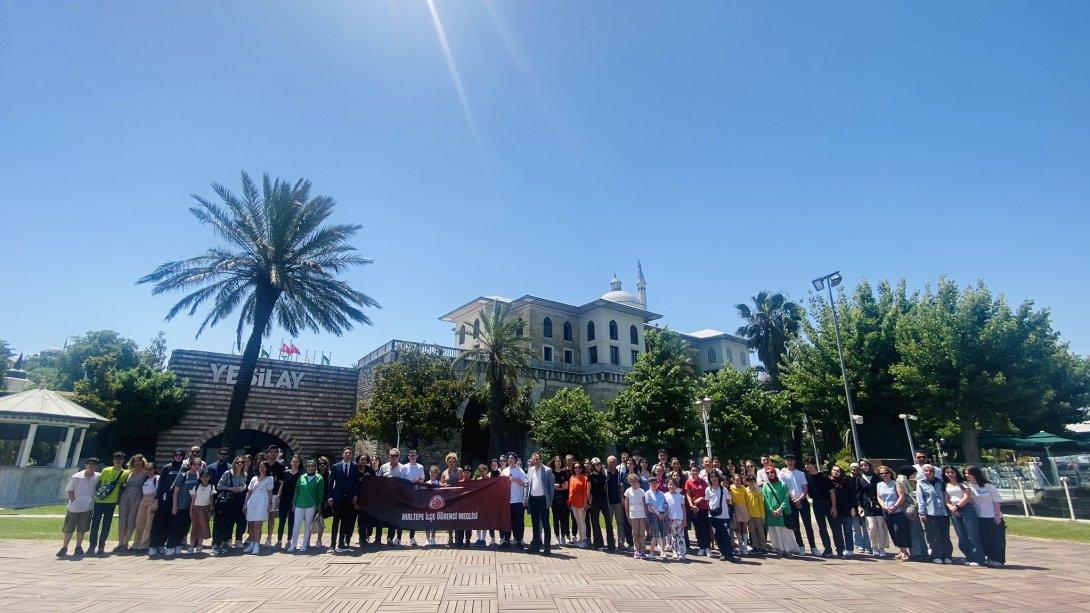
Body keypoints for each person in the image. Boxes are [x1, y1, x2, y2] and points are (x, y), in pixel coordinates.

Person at [88, 451, 129, 556]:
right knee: (95, 524)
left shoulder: (125, 473)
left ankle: (101, 545)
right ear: (113, 460)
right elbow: (99, 484)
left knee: (106, 525)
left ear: (123, 461)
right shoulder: (106, 470)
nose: (118, 461)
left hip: (111, 502)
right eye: (116, 459)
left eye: (120, 459)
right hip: (99, 501)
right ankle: (92, 545)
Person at [58, 457, 100, 558]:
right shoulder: (77, 476)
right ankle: (64, 547)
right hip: (74, 508)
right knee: (69, 528)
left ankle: (78, 547)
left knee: (82, 529)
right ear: (86, 465)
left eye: (94, 464)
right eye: (90, 464)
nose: (91, 466)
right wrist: (74, 501)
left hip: (87, 508)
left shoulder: (98, 476)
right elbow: (70, 490)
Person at [965, 465, 1005, 567]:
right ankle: (990, 558)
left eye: (968, 473)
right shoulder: (969, 487)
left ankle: (999, 559)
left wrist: (997, 514)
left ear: (975, 474)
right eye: (965, 474)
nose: (966, 476)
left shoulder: (988, 486)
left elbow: (996, 500)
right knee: (985, 538)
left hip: (992, 515)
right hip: (979, 516)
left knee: (997, 538)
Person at [943, 466, 984, 566]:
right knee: (962, 536)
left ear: (956, 473)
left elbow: (967, 496)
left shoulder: (962, 484)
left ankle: (979, 559)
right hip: (954, 510)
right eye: (947, 473)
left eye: (952, 472)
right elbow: (946, 499)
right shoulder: (946, 485)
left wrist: (957, 506)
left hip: (966, 509)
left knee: (972, 535)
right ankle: (969, 556)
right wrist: (952, 508)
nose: (950, 474)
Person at [148, 449, 185, 557]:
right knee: (159, 523)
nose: (178, 456)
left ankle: (164, 544)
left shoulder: (184, 468)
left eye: (180, 455)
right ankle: (154, 546)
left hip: (177, 499)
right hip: (165, 499)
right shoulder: (167, 467)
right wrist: (156, 499)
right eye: (176, 455)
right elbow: (160, 484)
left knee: (171, 524)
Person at [779, 454, 815, 556]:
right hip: (791, 502)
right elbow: (785, 488)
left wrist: (801, 498)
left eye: (792, 460)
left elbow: (805, 488)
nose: (790, 462)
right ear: (785, 462)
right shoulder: (782, 473)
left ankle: (813, 546)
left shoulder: (801, 473)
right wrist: (794, 499)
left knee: (808, 525)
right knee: (795, 525)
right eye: (788, 460)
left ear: (795, 461)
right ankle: (800, 546)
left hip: (802, 500)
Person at [804, 457, 841, 557]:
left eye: (809, 464)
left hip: (827, 503)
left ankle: (840, 549)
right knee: (822, 527)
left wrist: (833, 507)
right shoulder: (806, 477)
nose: (807, 466)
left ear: (814, 465)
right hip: (816, 503)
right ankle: (828, 548)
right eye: (806, 464)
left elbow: (832, 492)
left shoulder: (824, 477)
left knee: (835, 527)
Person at [916, 463, 952, 564]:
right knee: (934, 535)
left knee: (945, 535)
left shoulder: (941, 482)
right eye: (926, 471)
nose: (928, 473)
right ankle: (937, 555)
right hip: (930, 512)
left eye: (930, 471)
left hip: (943, 512)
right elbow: (920, 498)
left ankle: (947, 555)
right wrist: (922, 512)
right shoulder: (921, 483)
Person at [288, 459, 324, 552]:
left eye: (312, 466)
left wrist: (319, 504)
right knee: (296, 524)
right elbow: (297, 491)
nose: (310, 468)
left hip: (311, 504)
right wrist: (294, 503)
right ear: (306, 467)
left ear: (315, 467)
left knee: (308, 525)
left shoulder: (319, 478)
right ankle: (293, 544)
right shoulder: (301, 477)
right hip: (299, 503)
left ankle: (304, 544)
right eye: (308, 466)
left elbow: (320, 493)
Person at [213, 455, 248, 554]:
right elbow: (219, 486)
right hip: (227, 501)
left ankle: (231, 541)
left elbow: (244, 485)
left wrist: (241, 488)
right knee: (224, 522)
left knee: (238, 522)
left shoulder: (244, 474)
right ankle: (219, 543)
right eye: (237, 462)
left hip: (238, 501)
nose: (239, 464)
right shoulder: (228, 473)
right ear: (234, 463)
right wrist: (230, 489)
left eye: (241, 462)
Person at [762, 467, 800, 556]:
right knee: (775, 532)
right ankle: (779, 549)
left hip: (783, 512)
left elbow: (786, 498)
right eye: (767, 473)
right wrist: (771, 510)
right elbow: (765, 499)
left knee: (786, 532)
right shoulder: (766, 485)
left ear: (775, 473)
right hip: (771, 514)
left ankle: (788, 550)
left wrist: (780, 509)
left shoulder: (783, 484)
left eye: (771, 472)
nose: (770, 474)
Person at [328, 447, 360, 552]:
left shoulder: (355, 467)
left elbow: (356, 482)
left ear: (352, 455)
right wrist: (330, 496)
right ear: (343, 455)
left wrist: (355, 495)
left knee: (345, 522)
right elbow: (330, 482)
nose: (348, 454)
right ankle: (332, 545)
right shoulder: (336, 466)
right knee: (335, 522)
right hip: (338, 498)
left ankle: (341, 544)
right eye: (346, 453)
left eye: (350, 453)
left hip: (349, 498)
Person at [876, 466, 911, 560]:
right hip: (886, 511)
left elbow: (901, 496)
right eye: (881, 473)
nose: (884, 475)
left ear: (890, 473)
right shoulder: (879, 484)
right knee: (892, 531)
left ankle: (905, 552)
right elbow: (879, 497)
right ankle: (901, 549)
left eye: (886, 473)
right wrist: (884, 506)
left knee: (899, 530)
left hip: (898, 510)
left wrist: (895, 506)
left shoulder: (896, 483)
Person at [856, 459, 888, 558]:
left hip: (878, 504)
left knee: (881, 528)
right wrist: (859, 505)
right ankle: (874, 548)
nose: (863, 467)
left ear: (869, 465)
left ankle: (882, 548)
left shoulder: (877, 477)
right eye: (861, 466)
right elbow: (858, 494)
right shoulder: (859, 478)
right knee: (871, 528)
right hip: (867, 506)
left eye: (865, 465)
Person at [117, 453, 149, 551]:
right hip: (125, 496)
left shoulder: (145, 473)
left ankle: (126, 543)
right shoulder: (128, 472)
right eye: (135, 461)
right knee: (122, 518)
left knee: (131, 519)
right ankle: (120, 543)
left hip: (137, 497)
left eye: (139, 461)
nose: (137, 463)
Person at [524, 451, 554, 555]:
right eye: (534, 459)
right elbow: (527, 485)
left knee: (546, 525)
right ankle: (535, 547)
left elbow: (551, 487)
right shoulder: (530, 470)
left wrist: (549, 501)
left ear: (541, 460)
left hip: (543, 501)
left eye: (537, 459)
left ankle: (547, 548)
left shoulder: (547, 470)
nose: (535, 461)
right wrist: (525, 499)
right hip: (533, 500)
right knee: (535, 525)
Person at [169, 455, 201, 555]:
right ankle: (170, 546)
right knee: (176, 526)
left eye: (198, 465)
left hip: (191, 507)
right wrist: (174, 506)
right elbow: (175, 492)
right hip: (181, 505)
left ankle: (178, 545)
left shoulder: (198, 476)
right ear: (190, 465)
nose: (196, 466)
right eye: (194, 464)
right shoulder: (183, 475)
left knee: (185, 527)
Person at [896, 465, 927, 560]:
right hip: (909, 507)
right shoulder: (902, 479)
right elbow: (906, 493)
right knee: (914, 530)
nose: (914, 475)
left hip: (913, 507)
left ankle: (921, 551)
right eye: (913, 473)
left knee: (917, 530)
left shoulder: (905, 479)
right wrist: (918, 490)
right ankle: (918, 552)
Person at [244, 460, 274, 554]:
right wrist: (245, 503)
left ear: (267, 468)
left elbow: (270, 492)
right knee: (252, 524)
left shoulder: (270, 478)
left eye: (264, 467)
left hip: (263, 501)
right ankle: (251, 544)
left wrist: (270, 503)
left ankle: (257, 545)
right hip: (253, 501)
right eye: (261, 467)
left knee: (258, 523)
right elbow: (249, 492)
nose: (262, 468)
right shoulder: (254, 478)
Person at [706, 470, 736, 562]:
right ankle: (723, 553)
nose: (714, 478)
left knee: (725, 535)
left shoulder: (724, 489)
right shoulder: (707, 489)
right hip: (713, 516)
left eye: (715, 476)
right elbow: (708, 501)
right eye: (712, 477)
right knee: (717, 536)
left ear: (718, 478)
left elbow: (728, 502)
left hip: (723, 516)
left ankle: (729, 554)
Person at [377, 448, 404, 546]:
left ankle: (390, 539)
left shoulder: (403, 468)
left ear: (398, 457)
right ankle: (378, 539)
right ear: (389, 456)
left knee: (393, 519)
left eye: (396, 455)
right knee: (381, 518)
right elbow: (378, 481)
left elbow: (405, 483)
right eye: (392, 455)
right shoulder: (383, 467)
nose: (394, 457)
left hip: (397, 498)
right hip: (384, 497)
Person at [684, 462, 711, 557]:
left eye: (695, 471)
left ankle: (707, 547)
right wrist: (691, 505)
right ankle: (701, 547)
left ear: (699, 472)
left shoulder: (703, 482)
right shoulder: (688, 482)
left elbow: (707, 494)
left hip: (704, 508)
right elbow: (688, 494)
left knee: (705, 528)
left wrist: (701, 498)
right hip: (694, 509)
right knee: (698, 528)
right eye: (692, 471)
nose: (694, 472)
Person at [500, 453, 527, 548]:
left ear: (515, 460)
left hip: (518, 501)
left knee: (518, 522)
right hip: (507, 501)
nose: (510, 460)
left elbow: (525, 483)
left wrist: (515, 479)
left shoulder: (520, 471)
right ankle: (507, 540)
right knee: (507, 521)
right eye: (508, 458)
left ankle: (518, 540)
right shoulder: (505, 471)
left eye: (512, 458)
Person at [829, 465, 856, 558]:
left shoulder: (846, 481)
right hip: (834, 510)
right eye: (834, 470)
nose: (835, 472)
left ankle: (849, 549)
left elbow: (851, 495)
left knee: (848, 531)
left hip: (845, 510)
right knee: (837, 531)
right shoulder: (829, 482)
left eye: (838, 471)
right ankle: (840, 549)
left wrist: (852, 507)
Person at [441, 452, 467, 546]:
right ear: (447, 462)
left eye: (453, 461)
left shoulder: (460, 470)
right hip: (449, 499)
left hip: (459, 498)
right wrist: (445, 485)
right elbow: (441, 484)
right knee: (450, 518)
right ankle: (450, 536)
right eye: (449, 461)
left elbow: (464, 481)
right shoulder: (444, 473)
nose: (451, 462)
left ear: (456, 462)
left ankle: (458, 538)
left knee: (458, 517)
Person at [131, 460, 158, 551]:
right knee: (139, 522)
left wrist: (155, 503)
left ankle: (145, 545)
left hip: (152, 499)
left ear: (155, 469)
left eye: (151, 469)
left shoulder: (156, 478)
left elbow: (158, 492)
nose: (148, 471)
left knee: (148, 523)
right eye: (147, 469)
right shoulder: (146, 479)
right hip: (144, 500)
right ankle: (136, 544)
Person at [275, 455, 301, 549]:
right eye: (293, 461)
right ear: (290, 462)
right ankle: (279, 541)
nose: (295, 463)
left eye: (297, 462)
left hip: (294, 500)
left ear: (299, 463)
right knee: (282, 520)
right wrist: (278, 495)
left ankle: (289, 541)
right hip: (284, 500)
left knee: (291, 521)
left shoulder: (301, 474)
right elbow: (282, 485)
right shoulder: (285, 473)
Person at [401, 449, 425, 547]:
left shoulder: (420, 467)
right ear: (408, 457)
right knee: (402, 515)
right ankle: (398, 537)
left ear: (417, 456)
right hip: (405, 494)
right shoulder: (404, 467)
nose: (412, 457)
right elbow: (401, 480)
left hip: (415, 495)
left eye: (414, 455)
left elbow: (422, 479)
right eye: (410, 455)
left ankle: (412, 537)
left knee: (412, 516)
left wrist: (417, 482)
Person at [188, 469, 215, 553]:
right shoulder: (196, 487)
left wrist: (210, 510)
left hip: (206, 509)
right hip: (196, 508)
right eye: (203, 476)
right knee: (195, 527)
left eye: (207, 476)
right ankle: (192, 545)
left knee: (203, 526)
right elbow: (193, 500)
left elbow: (211, 499)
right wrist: (191, 510)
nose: (205, 478)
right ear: (200, 477)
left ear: (209, 477)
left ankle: (200, 544)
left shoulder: (211, 487)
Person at [264, 446, 285, 547]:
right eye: (271, 452)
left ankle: (269, 537)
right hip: (262, 493)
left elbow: (282, 482)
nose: (273, 454)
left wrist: (279, 495)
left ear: (277, 454)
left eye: (275, 452)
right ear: (267, 453)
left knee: (271, 516)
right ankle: (254, 537)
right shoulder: (263, 465)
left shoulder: (280, 467)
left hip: (274, 493)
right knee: (259, 515)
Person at [623, 473, 648, 559]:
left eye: (635, 480)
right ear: (629, 482)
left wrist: (646, 516)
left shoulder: (642, 491)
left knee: (642, 533)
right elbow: (626, 505)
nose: (633, 482)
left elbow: (645, 504)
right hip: (633, 515)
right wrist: (627, 516)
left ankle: (643, 550)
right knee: (635, 533)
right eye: (631, 481)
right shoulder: (628, 491)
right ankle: (637, 550)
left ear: (637, 481)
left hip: (641, 515)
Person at [645, 474, 669, 559]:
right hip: (654, 515)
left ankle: (662, 552)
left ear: (658, 484)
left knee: (663, 535)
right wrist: (658, 514)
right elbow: (649, 507)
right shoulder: (647, 493)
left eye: (655, 483)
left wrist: (665, 513)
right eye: (652, 483)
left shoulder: (661, 493)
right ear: (649, 484)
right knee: (655, 535)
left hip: (663, 515)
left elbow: (666, 504)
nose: (654, 485)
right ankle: (652, 552)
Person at [605, 456, 625, 551]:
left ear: (616, 463)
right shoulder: (604, 473)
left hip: (618, 502)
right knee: (609, 523)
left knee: (620, 522)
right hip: (608, 502)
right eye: (610, 462)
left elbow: (622, 487)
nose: (612, 463)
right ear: (607, 463)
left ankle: (621, 542)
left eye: (613, 462)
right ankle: (611, 541)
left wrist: (622, 498)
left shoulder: (620, 473)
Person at [549, 456, 571, 545]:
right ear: (554, 463)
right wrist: (560, 485)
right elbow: (550, 485)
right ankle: (557, 537)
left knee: (564, 518)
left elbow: (566, 486)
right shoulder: (551, 473)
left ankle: (563, 537)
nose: (558, 463)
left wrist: (556, 486)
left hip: (563, 499)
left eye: (559, 461)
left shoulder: (565, 473)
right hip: (554, 499)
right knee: (555, 518)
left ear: (561, 463)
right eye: (556, 461)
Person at [355, 453, 376, 546]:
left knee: (366, 518)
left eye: (365, 460)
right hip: (356, 497)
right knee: (356, 519)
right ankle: (349, 537)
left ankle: (364, 538)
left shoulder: (370, 470)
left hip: (367, 498)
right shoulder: (354, 470)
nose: (363, 461)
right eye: (361, 459)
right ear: (358, 460)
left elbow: (376, 482)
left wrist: (369, 478)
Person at [664, 477, 687, 560]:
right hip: (671, 519)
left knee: (681, 536)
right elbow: (665, 508)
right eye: (669, 484)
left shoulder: (680, 496)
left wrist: (684, 520)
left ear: (676, 486)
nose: (671, 486)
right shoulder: (665, 496)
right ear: (667, 485)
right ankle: (675, 552)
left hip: (680, 519)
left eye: (673, 484)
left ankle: (682, 552)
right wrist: (666, 519)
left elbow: (684, 509)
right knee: (673, 536)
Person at [567, 462, 590, 547]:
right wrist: (570, 502)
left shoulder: (585, 478)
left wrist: (585, 503)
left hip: (582, 502)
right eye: (575, 468)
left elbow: (586, 492)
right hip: (574, 502)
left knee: (582, 521)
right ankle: (580, 539)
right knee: (577, 522)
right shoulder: (572, 477)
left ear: (581, 468)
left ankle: (583, 540)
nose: (577, 469)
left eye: (578, 467)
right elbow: (570, 491)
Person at [744, 475, 767, 555]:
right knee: (752, 531)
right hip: (749, 515)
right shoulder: (745, 491)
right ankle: (756, 546)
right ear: (747, 482)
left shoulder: (758, 491)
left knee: (760, 531)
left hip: (758, 515)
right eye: (750, 482)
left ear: (755, 482)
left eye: (753, 482)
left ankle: (763, 547)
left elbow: (761, 505)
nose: (751, 483)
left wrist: (763, 516)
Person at [729, 473, 751, 553]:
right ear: (733, 480)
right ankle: (740, 547)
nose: (738, 482)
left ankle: (745, 546)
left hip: (743, 509)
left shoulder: (743, 488)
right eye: (736, 480)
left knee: (745, 528)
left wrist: (747, 509)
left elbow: (747, 499)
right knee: (737, 529)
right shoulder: (731, 488)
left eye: (739, 480)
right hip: (736, 509)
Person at [315, 456, 332, 548]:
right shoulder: (315, 474)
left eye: (324, 464)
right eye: (320, 464)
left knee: (320, 520)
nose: (322, 465)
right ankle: (308, 539)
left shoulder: (329, 475)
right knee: (311, 521)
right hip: (314, 500)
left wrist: (327, 500)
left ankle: (319, 540)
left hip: (325, 500)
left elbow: (330, 488)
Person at [424, 465, 441, 546]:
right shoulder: (426, 483)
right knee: (427, 522)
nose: (433, 474)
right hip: (428, 506)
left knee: (434, 523)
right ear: (429, 473)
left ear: (437, 473)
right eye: (431, 472)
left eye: (434, 472)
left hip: (436, 506)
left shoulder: (439, 483)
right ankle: (427, 539)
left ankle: (433, 538)